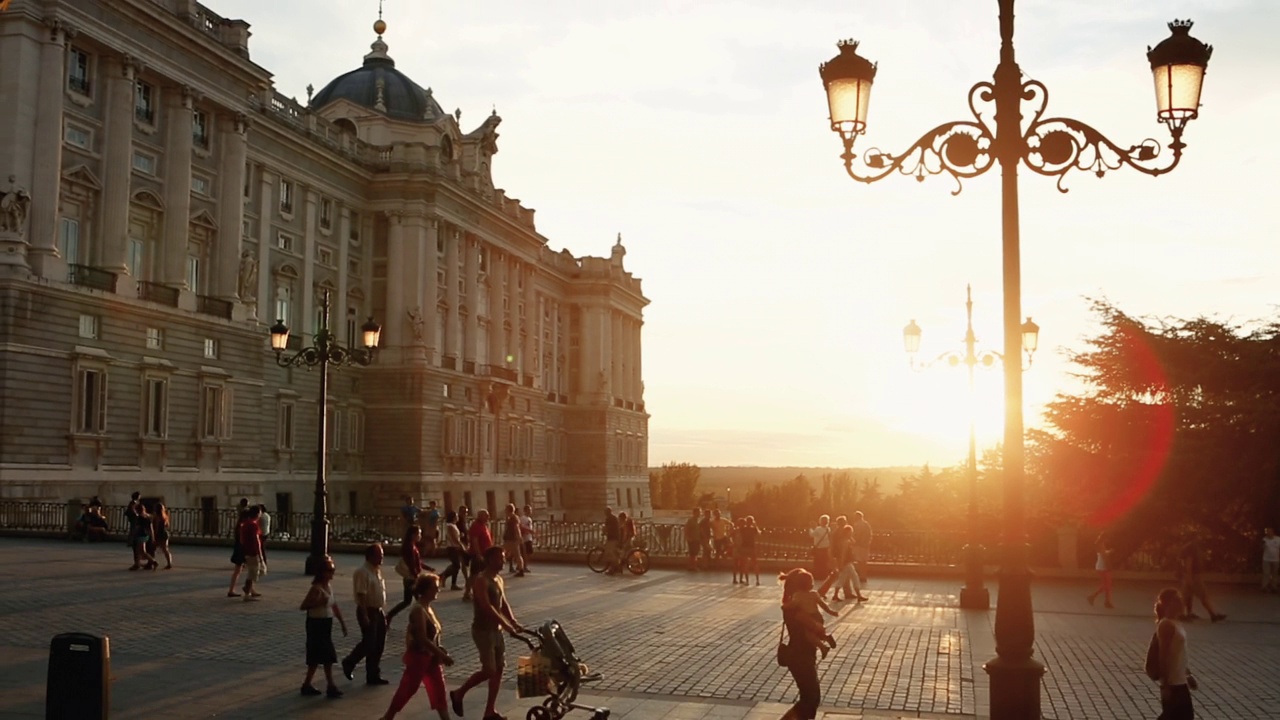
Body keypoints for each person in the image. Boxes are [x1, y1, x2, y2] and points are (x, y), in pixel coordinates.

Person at [449, 546, 524, 720]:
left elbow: (502, 602)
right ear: (489, 560)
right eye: (500, 558)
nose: (503, 561)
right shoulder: (481, 580)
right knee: (489, 670)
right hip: (483, 630)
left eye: (504, 557)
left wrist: (512, 621)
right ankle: (459, 693)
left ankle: (490, 711)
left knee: (498, 670)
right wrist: (505, 624)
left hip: (496, 630)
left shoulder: (498, 579)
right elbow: (486, 606)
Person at [379, 573, 455, 720]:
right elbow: (422, 638)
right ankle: (388, 716)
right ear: (425, 590)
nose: (437, 590)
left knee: (439, 689)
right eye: (435, 588)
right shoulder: (418, 609)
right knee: (408, 688)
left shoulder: (428, 608)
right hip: (419, 657)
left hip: (431, 658)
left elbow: (432, 637)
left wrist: (439, 649)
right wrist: (441, 654)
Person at [299, 555, 348, 699]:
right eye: (329, 571)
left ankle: (310, 684)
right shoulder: (316, 589)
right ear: (322, 572)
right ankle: (329, 685)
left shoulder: (329, 587)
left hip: (326, 623)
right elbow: (304, 606)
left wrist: (342, 622)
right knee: (322, 656)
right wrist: (319, 602)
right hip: (316, 624)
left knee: (324, 656)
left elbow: (333, 605)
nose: (332, 574)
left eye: (332, 570)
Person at [343, 543, 390, 685]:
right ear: (370, 556)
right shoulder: (362, 572)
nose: (382, 558)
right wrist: (364, 615)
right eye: (379, 555)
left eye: (382, 555)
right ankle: (349, 662)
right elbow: (361, 595)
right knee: (369, 642)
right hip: (368, 610)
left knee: (379, 644)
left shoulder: (377, 571)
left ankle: (373, 674)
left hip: (378, 610)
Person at [779, 569, 823, 720]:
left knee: (809, 697)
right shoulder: (795, 607)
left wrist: (831, 579)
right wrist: (820, 628)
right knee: (811, 697)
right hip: (800, 655)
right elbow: (813, 626)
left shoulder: (793, 603)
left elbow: (816, 596)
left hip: (801, 654)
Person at [1153, 587, 1198, 719]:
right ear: (1168, 604)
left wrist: (1188, 675)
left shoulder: (1176, 623)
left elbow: (1179, 654)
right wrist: (1165, 685)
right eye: (1177, 600)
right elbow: (1164, 655)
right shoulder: (1166, 625)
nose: (1181, 602)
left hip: (1180, 680)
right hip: (1173, 683)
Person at [782, 570, 839, 659]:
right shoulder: (814, 594)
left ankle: (822, 647)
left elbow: (793, 605)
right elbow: (822, 604)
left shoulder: (798, 595)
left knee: (809, 634)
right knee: (816, 633)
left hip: (810, 617)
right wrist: (831, 611)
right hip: (818, 616)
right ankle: (826, 637)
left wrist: (785, 607)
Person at [1178, 539, 1225, 622]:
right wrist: (1189, 577)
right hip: (1194, 576)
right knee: (1203, 596)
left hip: (1190, 576)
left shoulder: (1187, 549)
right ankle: (1213, 615)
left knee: (1187, 596)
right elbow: (1189, 564)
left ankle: (1184, 614)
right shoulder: (1191, 550)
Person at [388, 525, 424, 623]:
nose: (420, 535)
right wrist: (416, 576)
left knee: (408, 601)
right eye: (419, 533)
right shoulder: (409, 547)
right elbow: (411, 563)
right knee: (420, 601)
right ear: (413, 535)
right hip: (411, 578)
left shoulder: (411, 545)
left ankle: (389, 616)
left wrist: (427, 568)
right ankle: (423, 620)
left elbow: (417, 562)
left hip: (410, 578)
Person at [463, 509, 493, 602]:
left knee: (482, 574)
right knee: (474, 575)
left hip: (485, 554)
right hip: (478, 554)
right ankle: (467, 592)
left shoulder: (483, 525)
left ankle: (479, 592)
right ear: (480, 516)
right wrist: (478, 554)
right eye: (486, 515)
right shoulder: (476, 526)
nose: (488, 517)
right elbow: (475, 541)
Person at [238, 505, 264, 600]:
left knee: (251, 570)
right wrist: (260, 554)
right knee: (254, 572)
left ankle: (251, 590)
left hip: (246, 550)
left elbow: (241, 540)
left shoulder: (244, 524)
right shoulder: (254, 525)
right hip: (253, 551)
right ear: (257, 514)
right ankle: (247, 592)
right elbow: (256, 541)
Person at [227, 498, 250, 597]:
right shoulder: (242, 526)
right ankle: (233, 590)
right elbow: (242, 540)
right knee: (241, 570)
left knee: (243, 570)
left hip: (239, 549)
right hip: (242, 549)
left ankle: (249, 589)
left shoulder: (239, 525)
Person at [1086, 533, 1114, 608]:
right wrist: (1109, 566)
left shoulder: (1099, 544)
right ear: (1104, 538)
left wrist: (1108, 552)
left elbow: (1102, 554)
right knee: (1107, 585)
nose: (1107, 540)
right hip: (1103, 566)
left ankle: (1106, 601)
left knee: (1107, 585)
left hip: (1100, 566)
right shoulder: (1101, 545)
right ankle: (1095, 597)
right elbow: (1104, 556)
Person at [440, 511, 465, 591]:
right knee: (456, 565)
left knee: (456, 565)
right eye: (456, 516)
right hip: (452, 547)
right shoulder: (450, 526)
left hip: (454, 547)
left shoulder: (454, 526)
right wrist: (461, 545)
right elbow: (454, 538)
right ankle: (446, 577)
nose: (458, 517)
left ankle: (445, 577)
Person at [736, 516, 761, 585]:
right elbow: (759, 534)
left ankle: (747, 581)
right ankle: (757, 580)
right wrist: (755, 525)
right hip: (752, 547)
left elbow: (738, 534)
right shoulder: (753, 529)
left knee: (745, 565)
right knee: (755, 564)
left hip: (744, 547)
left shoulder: (743, 529)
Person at [502, 504, 525, 577]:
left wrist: (519, 538)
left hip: (512, 540)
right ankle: (520, 569)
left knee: (502, 552)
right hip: (510, 539)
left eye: (506, 509)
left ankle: (521, 570)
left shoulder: (513, 518)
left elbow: (516, 528)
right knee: (516, 555)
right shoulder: (511, 518)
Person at [809, 515, 833, 584]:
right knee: (824, 562)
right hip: (826, 548)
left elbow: (811, 534)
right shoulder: (828, 529)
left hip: (818, 548)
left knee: (817, 563)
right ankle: (824, 575)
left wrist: (811, 528)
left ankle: (817, 576)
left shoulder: (818, 529)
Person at [851, 511, 873, 583]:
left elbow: (856, 535)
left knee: (859, 561)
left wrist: (853, 542)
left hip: (858, 545)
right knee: (864, 562)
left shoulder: (857, 525)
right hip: (865, 546)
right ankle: (864, 576)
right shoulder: (866, 524)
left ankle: (861, 576)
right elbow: (870, 534)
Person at [153, 502, 174, 569]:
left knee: (152, 548)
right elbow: (167, 525)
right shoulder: (165, 516)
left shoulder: (157, 517)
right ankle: (169, 563)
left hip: (159, 534)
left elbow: (156, 527)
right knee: (165, 549)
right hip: (165, 533)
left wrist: (154, 535)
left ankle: (151, 561)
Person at [602, 507, 621, 575]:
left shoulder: (608, 519)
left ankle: (613, 569)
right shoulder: (614, 518)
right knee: (615, 553)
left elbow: (607, 528)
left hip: (611, 538)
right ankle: (617, 567)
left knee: (611, 553)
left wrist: (603, 533)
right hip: (616, 537)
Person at [1261, 527, 1280, 593]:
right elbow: (1262, 547)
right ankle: (1264, 587)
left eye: (1269, 531)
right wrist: (1263, 545)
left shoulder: (1278, 539)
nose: (1268, 533)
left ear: (1272, 532)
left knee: (1275, 573)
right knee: (1266, 573)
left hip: (1276, 559)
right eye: (1267, 531)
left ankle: (1274, 587)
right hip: (1266, 559)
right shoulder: (1264, 539)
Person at [518, 505, 535, 571]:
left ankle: (522, 565)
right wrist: (529, 531)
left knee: (528, 552)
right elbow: (521, 527)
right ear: (525, 510)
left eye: (530, 510)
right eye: (529, 510)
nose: (530, 511)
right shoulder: (523, 518)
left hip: (529, 537)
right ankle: (524, 566)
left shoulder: (529, 519)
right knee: (526, 553)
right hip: (524, 538)